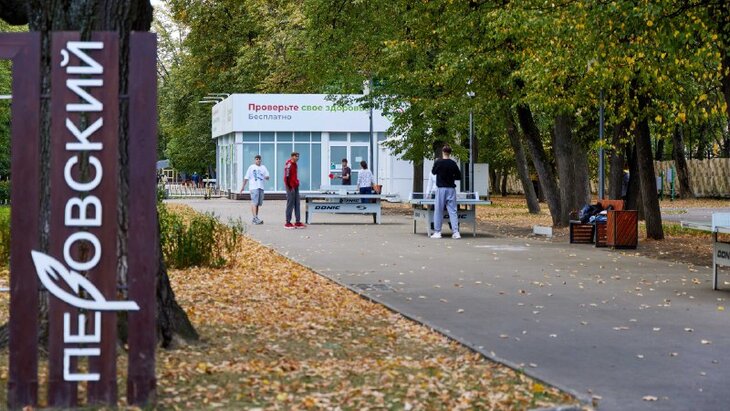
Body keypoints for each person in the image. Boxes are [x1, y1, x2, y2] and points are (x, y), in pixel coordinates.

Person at [431, 145, 462, 239]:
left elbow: (433, 172)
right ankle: (456, 232)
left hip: (441, 189)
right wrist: (452, 177)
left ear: (443, 152)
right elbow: (459, 176)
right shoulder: (453, 163)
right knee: (453, 211)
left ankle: (437, 232)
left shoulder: (438, 162)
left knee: (438, 210)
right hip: (451, 189)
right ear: (450, 153)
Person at [240, 154, 270, 225]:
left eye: (259, 159)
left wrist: (265, 177)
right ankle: (255, 218)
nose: (258, 160)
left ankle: (255, 218)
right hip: (253, 187)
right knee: (254, 202)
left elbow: (267, 177)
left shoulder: (263, 167)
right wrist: (243, 187)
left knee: (258, 204)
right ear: (255, 160)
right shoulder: (251, 167)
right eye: (257, 159)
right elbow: (246, 178)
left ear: (261, 160)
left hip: (261, 187)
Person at [284, 152, 306, 229]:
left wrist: (297, 183)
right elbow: (286, 177)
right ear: (292, 156)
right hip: (290, 187)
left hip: (295, 186)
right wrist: (290, 187)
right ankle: (287, 222)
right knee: (290, 204)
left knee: (297, 203)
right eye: (296, 156)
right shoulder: (289, 165)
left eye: (298, 156)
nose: (297, 158)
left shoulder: (295, 164)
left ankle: (297, 222)